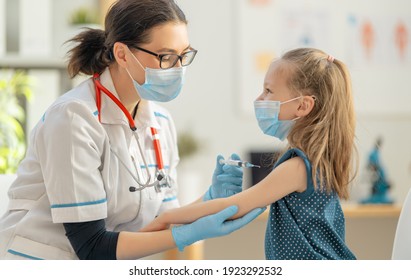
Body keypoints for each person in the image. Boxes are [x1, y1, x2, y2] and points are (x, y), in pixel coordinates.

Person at [0, 0, 264, 260]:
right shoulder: (73, 118)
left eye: (184, 55)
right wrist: (185, 235)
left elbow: (161, 222)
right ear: (122, 54)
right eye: (166, 57)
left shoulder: (160, 122)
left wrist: (208, 201)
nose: (179, 69)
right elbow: (92, 246)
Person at [142, 48, 358, 260]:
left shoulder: (298, 167)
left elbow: (233, 207)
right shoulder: (312, 162)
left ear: (302, 106)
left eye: (269, 91)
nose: (259, 99)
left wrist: (169, 216)